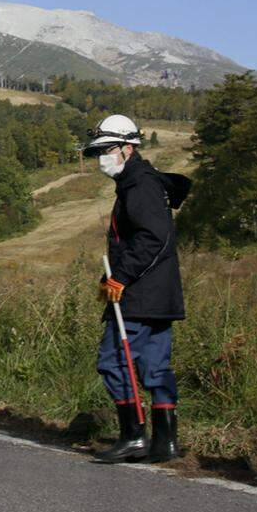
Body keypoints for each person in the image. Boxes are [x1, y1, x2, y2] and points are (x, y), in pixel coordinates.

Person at [84, 114, 191, 464]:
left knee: (113, 362)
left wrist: (121, 277)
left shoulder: (140, 185)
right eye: (97, 150)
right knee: (155, 366)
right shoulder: (140, 183)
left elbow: (153, 238)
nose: (101, 158)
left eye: (107, 149)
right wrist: (111, 278)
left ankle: (133, 437)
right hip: (159, 294)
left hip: (140, 295)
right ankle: (165, 443)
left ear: (128, 149)